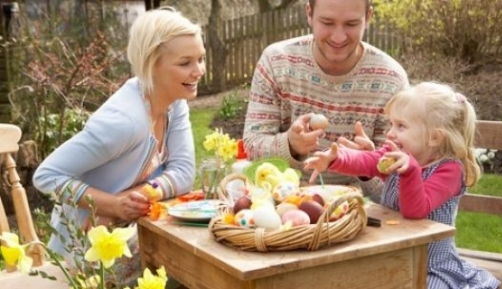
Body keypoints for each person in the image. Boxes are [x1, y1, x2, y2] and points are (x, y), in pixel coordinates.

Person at [32, 6, 204, 287]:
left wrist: (135, 197)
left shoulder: (176, 103)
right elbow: (46, 176)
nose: (198, 71)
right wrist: (112, 204)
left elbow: (185, 173)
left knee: (194, 269)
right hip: (88, 254)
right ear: (152, 64)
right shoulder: (124, 121)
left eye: (201, 59)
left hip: (129, 233)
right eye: (185, 63)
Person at [304, 82, 501, 289]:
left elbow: (416, 210)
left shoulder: (450, 170)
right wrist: (334, 159)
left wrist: (410, 171)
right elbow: (366, 161)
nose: (390, 133)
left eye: (401, 126)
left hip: (428, 263)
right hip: (390, 255)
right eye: (391, 124)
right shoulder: (397, 156)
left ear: (434, 137)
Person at [242, 0, 409, 201]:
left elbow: (399, 189)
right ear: (309, 13)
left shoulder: (391, 80)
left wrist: (366, 166)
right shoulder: (276, 62)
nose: (338, 37)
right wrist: (290, 145)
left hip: (357, 215)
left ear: (368, 18)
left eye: (351, 24)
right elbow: (251, 146)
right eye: (328, 23)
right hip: (283, 206)